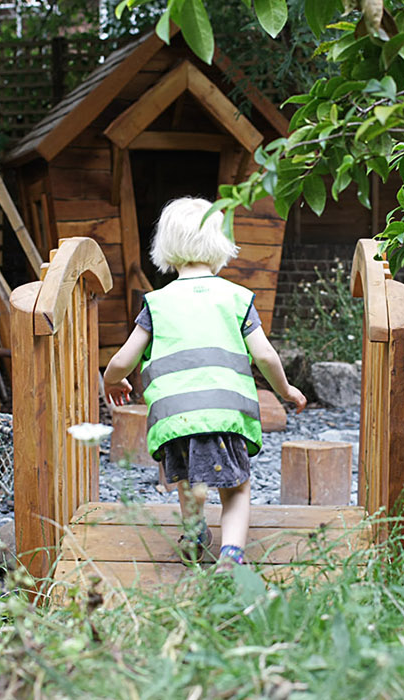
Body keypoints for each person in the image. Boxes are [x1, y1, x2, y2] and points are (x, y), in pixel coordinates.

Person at [102, 197, 307, 569]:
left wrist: (111, 381)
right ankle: (231, 554)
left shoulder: (157, 303)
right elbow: (265, 356)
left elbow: (122, 359)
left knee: (189, 480)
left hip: (175, 418)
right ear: (220, 243)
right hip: (224, 413)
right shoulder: (236, 298)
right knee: (236, 488)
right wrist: (286, 390)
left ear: (166, 245)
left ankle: (195, 532)